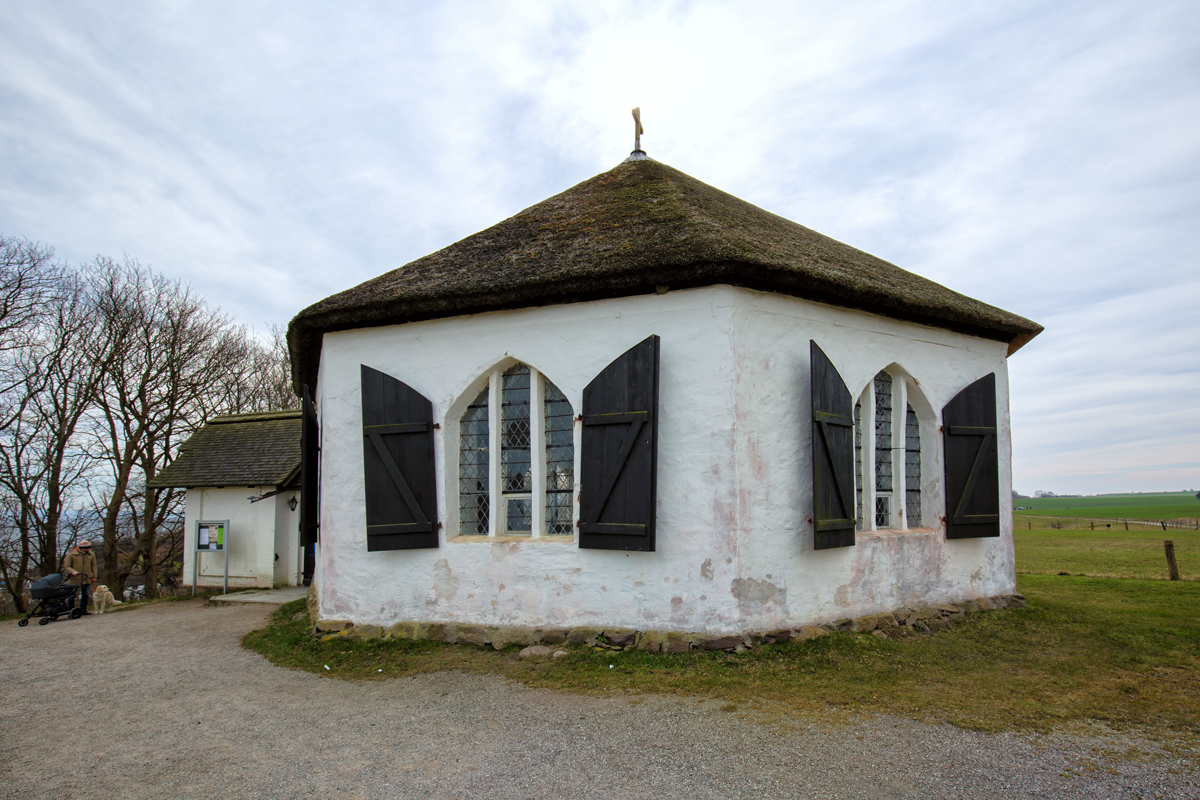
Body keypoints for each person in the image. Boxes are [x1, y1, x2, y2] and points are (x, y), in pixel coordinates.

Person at [62, 540, 97, 615]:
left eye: (89, 547)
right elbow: (67, 566)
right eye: (86, 548)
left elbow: (94, 565)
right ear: (81, 547)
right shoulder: (71, 555)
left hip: (87, 577)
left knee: (85, 594)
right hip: (75, 578)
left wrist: (94, 576)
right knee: (72, 595)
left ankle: (83, 609)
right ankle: (70, 610)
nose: (88, 549)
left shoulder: (91, 554)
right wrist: (72, 571)